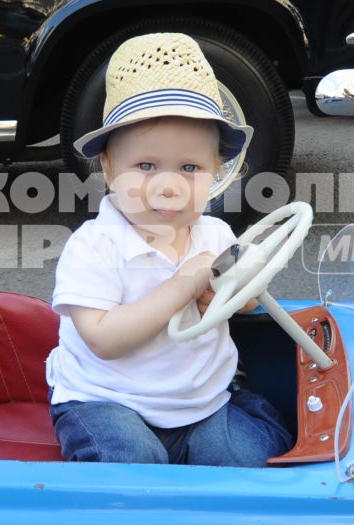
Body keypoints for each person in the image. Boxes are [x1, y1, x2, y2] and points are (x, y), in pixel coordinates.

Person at [47, 33, 295, 466]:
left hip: (203, 400)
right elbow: (104, 340)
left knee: (243, 458)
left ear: (217, 172)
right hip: (106, 398)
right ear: (107, 168)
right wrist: (184, 282)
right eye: (145, 166)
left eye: (190, 168)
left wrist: (229, 292)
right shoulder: (94, 244)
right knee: (129, 461)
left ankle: (219, 453)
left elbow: (249, 298)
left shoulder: (215, 233)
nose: (168, 185)